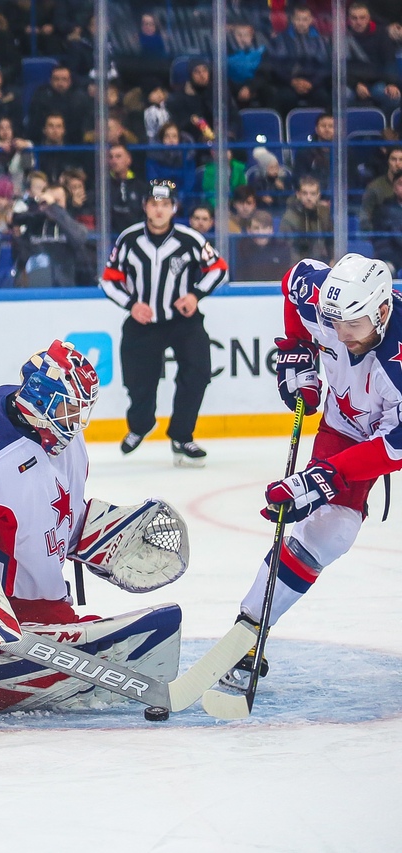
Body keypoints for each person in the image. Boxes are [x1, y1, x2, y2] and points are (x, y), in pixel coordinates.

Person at [0, 341, 184, 716]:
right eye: (68, 408)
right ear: (40, 399)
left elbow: (58, 505)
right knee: (42, 660)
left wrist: (94, 534)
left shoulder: (67, 440)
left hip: (40, 589)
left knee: (81, 646)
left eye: (81, 410)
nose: (76, 420)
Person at [210, 253, 402, 697]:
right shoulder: (328, 303)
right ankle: (249, 630)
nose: (341, 335)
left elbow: (395, 447)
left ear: (383, 311)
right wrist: (296, 348)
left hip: (387, 437)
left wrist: (325, 477)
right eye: (335, 324)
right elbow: (294, 279)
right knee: (328, 532)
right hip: (345, 425)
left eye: (353, 326)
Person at [101, 180, 228, 466]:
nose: (159, 210)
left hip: (183, 321)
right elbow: (108, 280)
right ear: (145, 206)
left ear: (174, 208)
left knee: (198, 373)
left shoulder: (190, 239)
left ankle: (182, 436)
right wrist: (131, 305)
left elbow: (218, 269)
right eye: (154, 204)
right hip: (143, 322)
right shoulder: (129, 239)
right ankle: (141, 424)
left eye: (165, 205)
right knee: (138, 381)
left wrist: (195, 295)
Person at [280, 175, 332, 264]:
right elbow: (287, 248)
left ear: (318, 195)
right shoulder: (289, 217)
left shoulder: (324, 213)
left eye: (313, 194)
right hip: (298, 264)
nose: (309, 198)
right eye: (305, 193)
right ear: (298, 195)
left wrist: (333, 258)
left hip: (322, 263)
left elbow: (331, 241)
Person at [231, 210, 290, 281]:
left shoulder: (282, 248)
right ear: (249, 230)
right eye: (256, 228)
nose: (260, 232)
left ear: (271, 230)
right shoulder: (240, 248)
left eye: (264, 228)